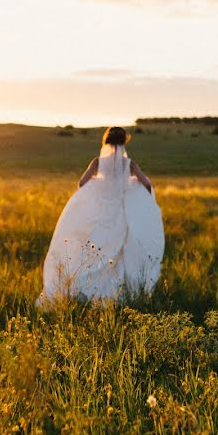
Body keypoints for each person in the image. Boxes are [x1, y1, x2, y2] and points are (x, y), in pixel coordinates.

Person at [37, 126, 164, 305]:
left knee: (95, 249)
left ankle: (84, 289)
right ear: (124, 142)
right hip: (120, 215)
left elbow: (82, 183)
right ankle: (121, 292)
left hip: (100, 215)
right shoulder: (129, 164)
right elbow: (147, 184)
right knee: (119, 253)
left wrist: (98, 187)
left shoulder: (98, 162)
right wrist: (133, 188)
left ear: (105, 141)